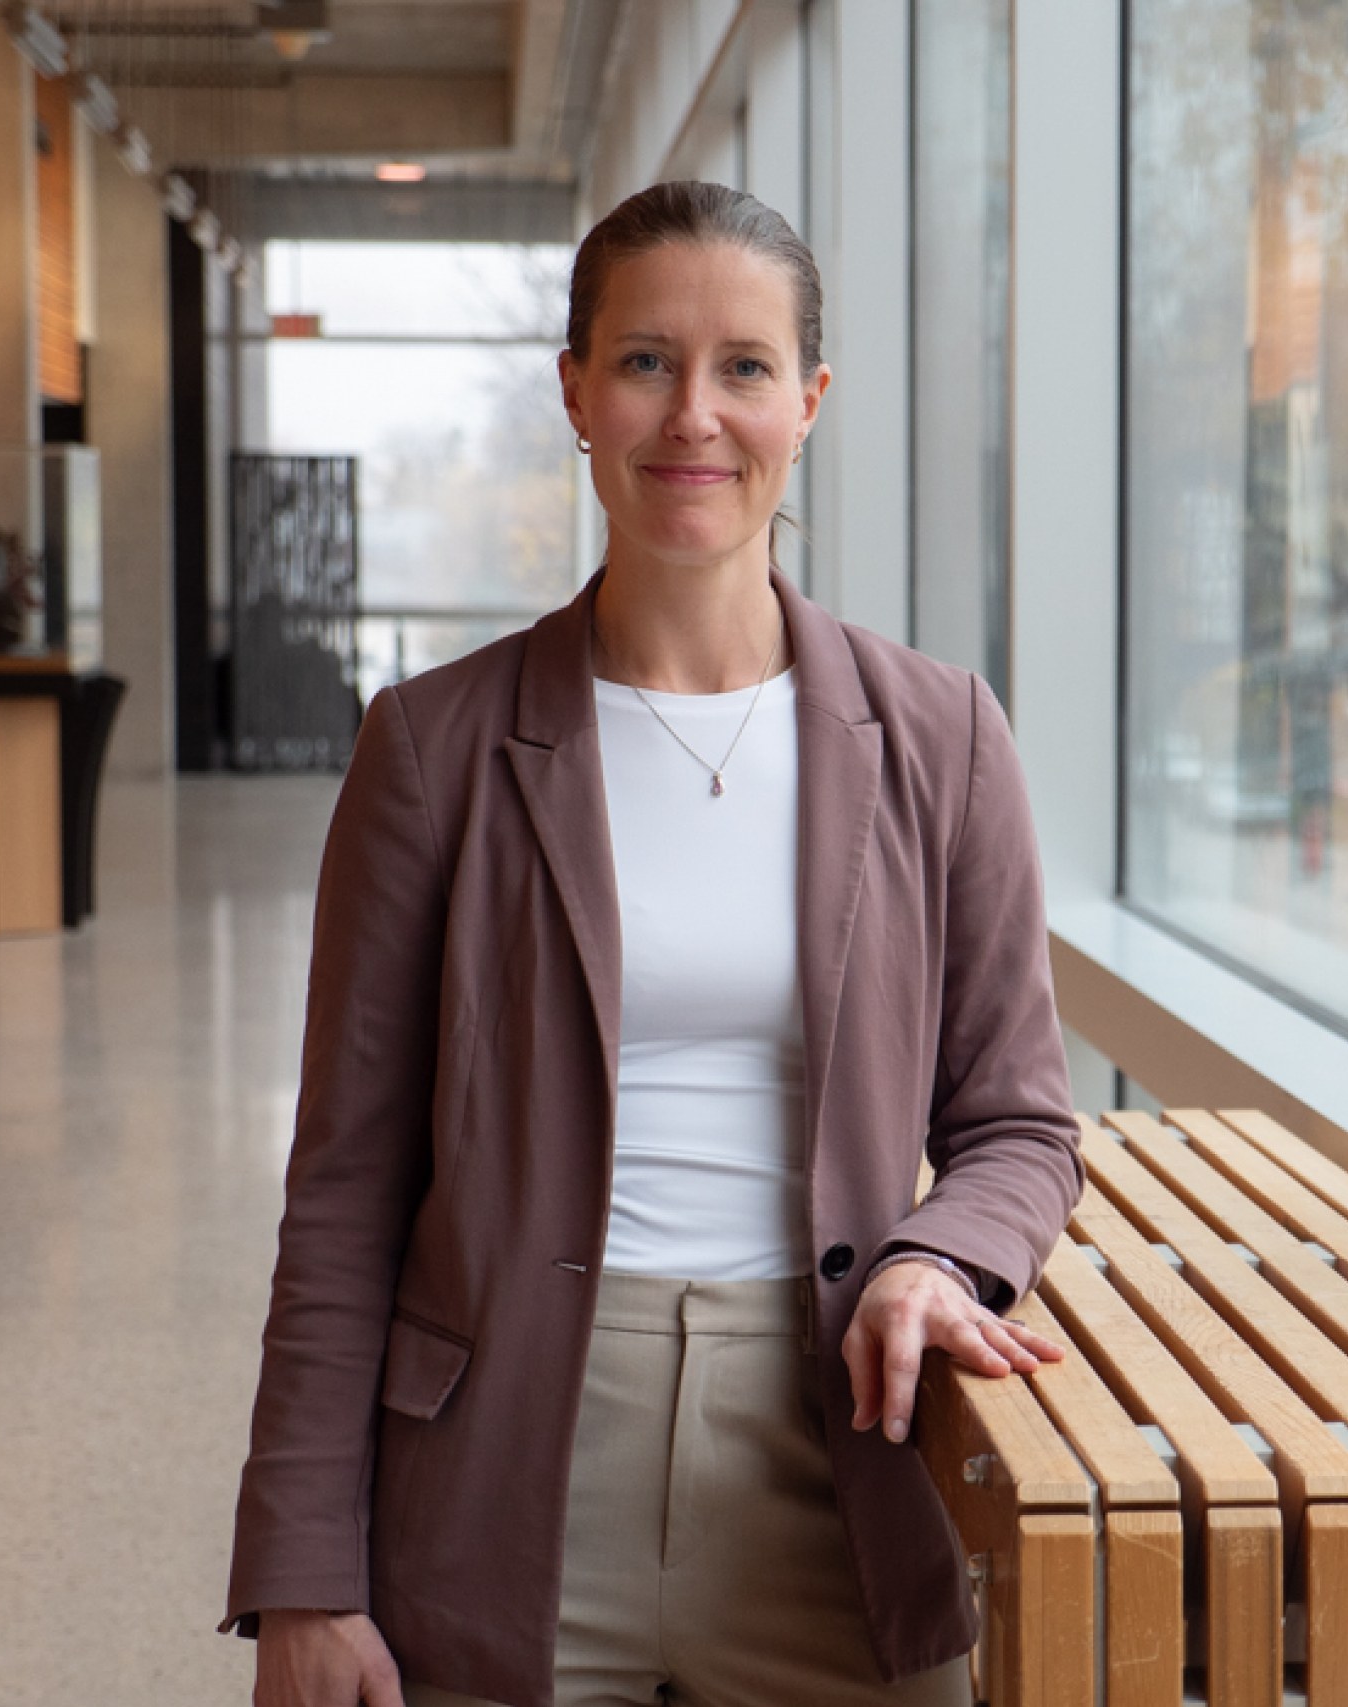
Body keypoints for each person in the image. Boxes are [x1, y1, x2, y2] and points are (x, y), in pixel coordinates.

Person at [222, 181, 1085, 1707]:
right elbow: (347, 1180)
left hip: (843, 1445)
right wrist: (303, 1569)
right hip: (501, 1466)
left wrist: (937, 1258)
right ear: (574, 389)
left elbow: (1017, 1119)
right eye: (645, 362)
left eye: (745, 367)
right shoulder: (434, 747)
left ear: (809, 402)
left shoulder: (940, 736)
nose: (695, 414)